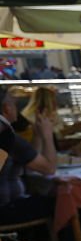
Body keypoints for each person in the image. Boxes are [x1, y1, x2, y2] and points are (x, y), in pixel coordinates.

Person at [0, 87, 56, 227]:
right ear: (7, 108)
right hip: (7, 208)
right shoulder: (7, 135)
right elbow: (49, 168)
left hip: (7, 206)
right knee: (62, 202)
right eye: (14, 104)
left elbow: (28, 160)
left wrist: (37, 135)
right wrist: (48, 135)